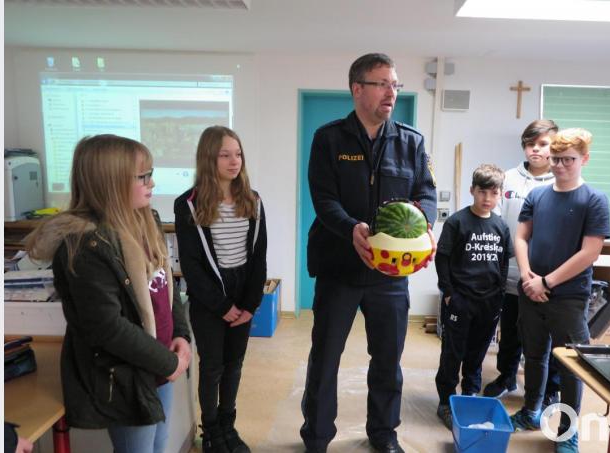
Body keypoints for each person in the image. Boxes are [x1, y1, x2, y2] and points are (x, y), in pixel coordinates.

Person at [300, 53, 437, 453]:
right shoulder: (328, 138)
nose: (391, 92)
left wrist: (423, 227)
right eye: (382, 84)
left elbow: (426, 195)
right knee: (325, 358)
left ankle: (384, 433)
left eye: (395, 84)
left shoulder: (411, 142)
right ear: (357, 89)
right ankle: (317, 437)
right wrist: (352, 229)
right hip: (339, 266)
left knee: (388, 359)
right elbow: (323, 199)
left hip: (389, 273)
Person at [26, 135, 192, 453]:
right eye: (142, 176)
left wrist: (181, 335)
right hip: (131, 375)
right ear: (110, 183)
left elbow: (166, 285)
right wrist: (168, 362)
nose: (152, 182)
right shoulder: (86, 245)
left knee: (159, 446)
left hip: (162, 364)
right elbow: (107, 327)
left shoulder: (148, 220)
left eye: (151, 173)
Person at [509, 128, 610, 453]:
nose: (560, 165)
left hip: (568, 296)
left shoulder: (594, 199)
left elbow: (590, 252)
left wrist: (547, 282)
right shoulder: (537, 195)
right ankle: (530, 411)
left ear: (584, 159)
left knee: (570, 364)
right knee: (534, 355)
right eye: (555, 159)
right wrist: (528, 276)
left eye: (568, 159)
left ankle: (567, 431)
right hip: (530, 290)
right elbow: (521, 237)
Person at [174, 126, 267, 453]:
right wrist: (221, 306)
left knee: (234, 364)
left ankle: (228, 426)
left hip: (243, 291)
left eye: (238, 154)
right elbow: (191, 265)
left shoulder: (253, 200)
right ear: (208, 158)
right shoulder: (188, 204)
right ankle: (211, 430)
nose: (234, 161)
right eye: (225, 155)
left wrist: (251, 305)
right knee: (212, 366)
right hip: (209, 298)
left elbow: (258, 257)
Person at [484, 119, 562, 405]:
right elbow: (495, 222)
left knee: (547, 336)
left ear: (555, 146)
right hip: (511, 273)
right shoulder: (507, 178)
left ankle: (550, 388)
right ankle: (507, 376)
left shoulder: (560, 181)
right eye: (530, 144)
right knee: (510, 331)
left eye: (543, 144)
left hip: (547, 277)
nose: (536, 150)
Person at [434, 164, 513, 430]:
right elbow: (442, 258)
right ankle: (446, 401)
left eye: (493, 193)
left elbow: (503, 263)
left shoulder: (501, 226)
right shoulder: (457, 222)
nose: (487, 198)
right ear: (472, 191)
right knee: (452, 353)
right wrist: (448, 294)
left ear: (500, 194)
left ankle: (470, 394)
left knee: (477, 353)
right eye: (482, 192)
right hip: (460, 301)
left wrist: (500, 294)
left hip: (489, 303)